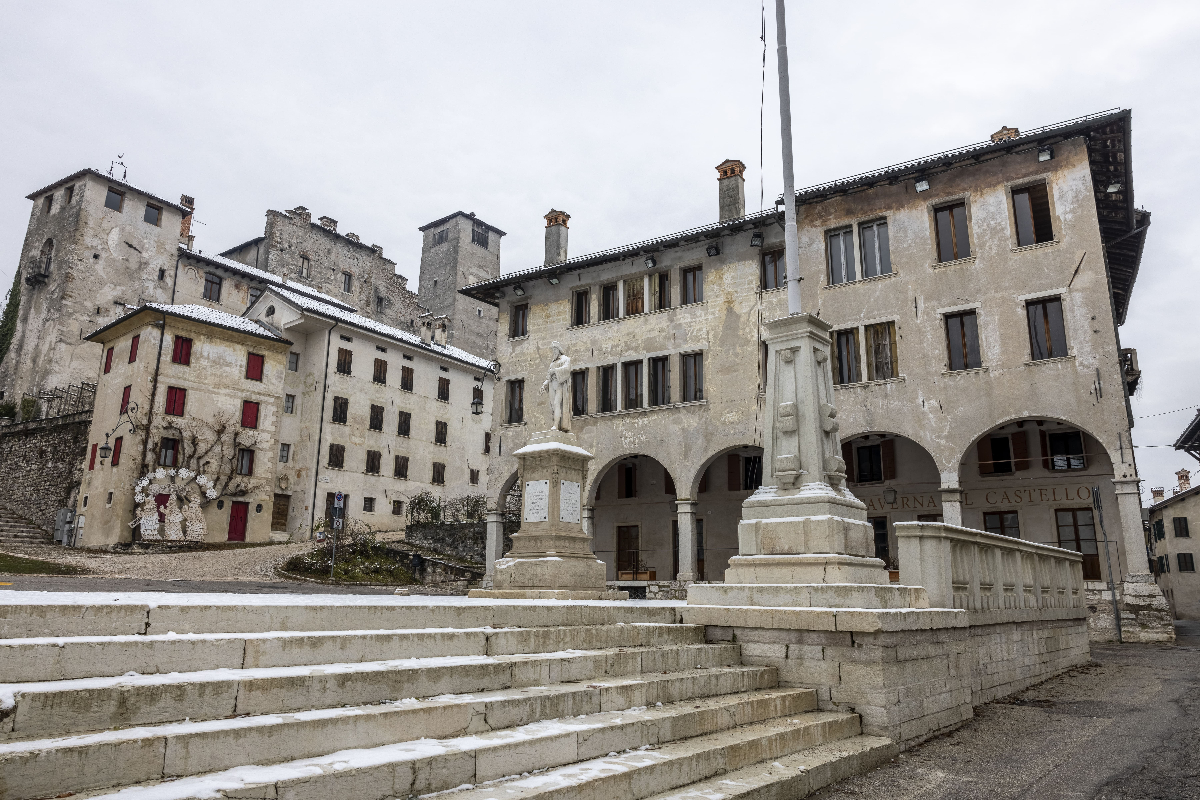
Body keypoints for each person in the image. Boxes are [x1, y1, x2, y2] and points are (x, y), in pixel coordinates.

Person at [542, 341, 572, 432]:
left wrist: (555, 371)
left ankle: (555, 425)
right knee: (553, 406)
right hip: (552, 385)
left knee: (556, 404)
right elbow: (548, 376)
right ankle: (556, 424)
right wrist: (545, 384)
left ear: (559, 350)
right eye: (553, 350)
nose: (554, 351)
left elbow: (567, 369)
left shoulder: (565, 359)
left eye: (555, 349)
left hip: (560, 385)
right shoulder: (552, 363)